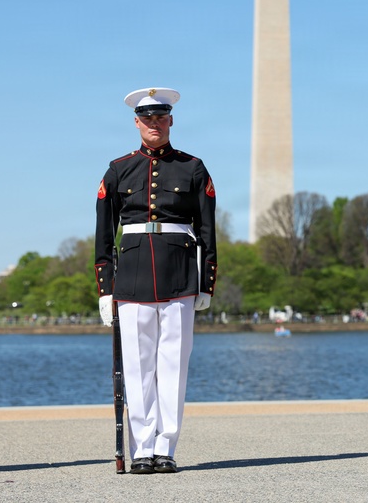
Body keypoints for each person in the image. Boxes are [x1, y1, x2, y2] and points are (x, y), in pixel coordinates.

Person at [94, 87, 217, 474]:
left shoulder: (193, 167)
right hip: (131, 278)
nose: (155, 124)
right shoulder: (118, 169)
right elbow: (103, 234)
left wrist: (207, 282)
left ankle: (166, 447)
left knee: (172, 368)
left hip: (180, 275)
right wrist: (105, 287)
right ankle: (142, 448)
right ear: (137, 123)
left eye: (161, 118)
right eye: (148, 119)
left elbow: (209, 230)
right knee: (137, 367)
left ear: (171, 121)